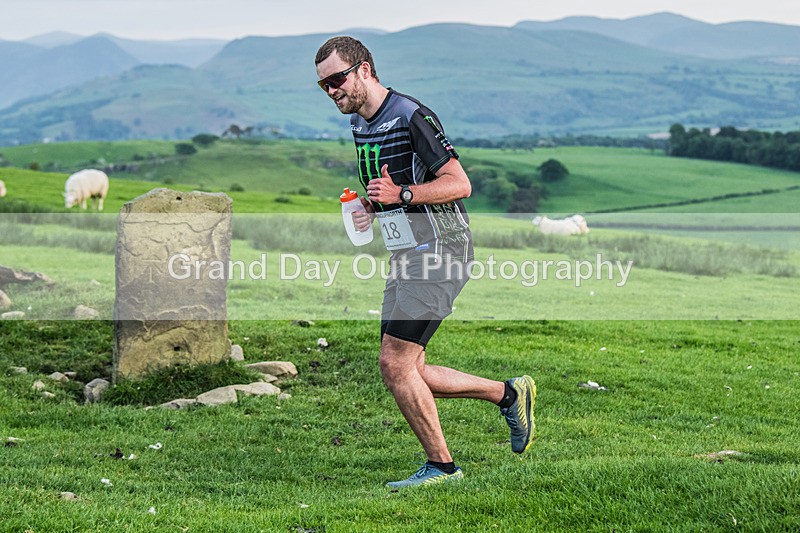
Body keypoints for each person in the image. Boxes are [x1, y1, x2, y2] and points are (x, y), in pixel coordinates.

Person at [315, 36, 536, 489]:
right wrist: (373, 207)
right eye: (323, 86)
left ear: (364, 69)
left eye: (337, 79)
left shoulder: (411, 115)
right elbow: (392, 189)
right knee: (407, 369)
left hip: (441, 251)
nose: (332, 91)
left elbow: (458, 183)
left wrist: (403, 195)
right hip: (407, 253)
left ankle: (443, 468)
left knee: (395, 365)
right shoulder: (361, 124)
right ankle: (509, 394)